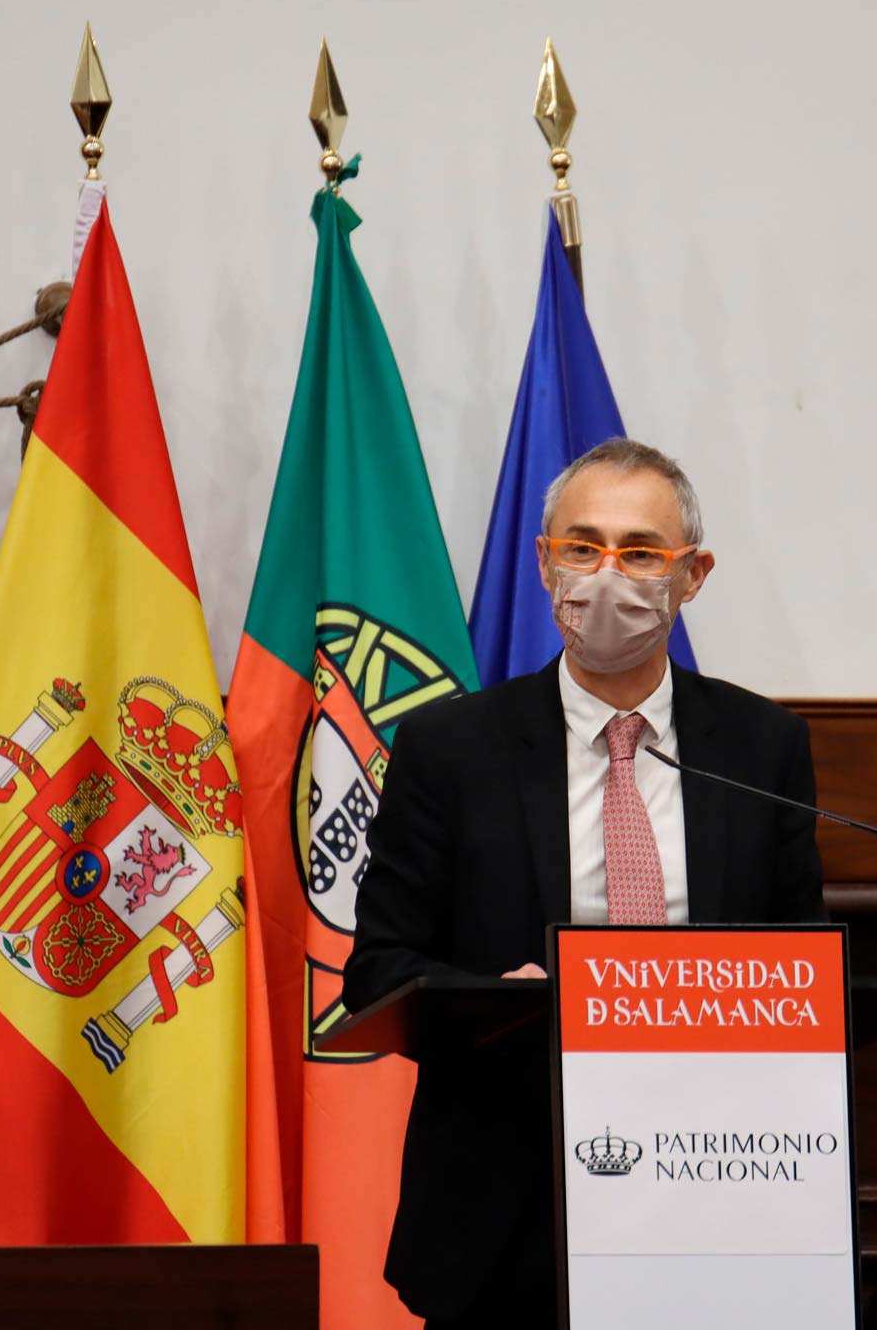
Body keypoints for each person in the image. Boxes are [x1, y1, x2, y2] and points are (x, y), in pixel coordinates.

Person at [343, 436, 827, 1329]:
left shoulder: (762, 749)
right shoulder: (451, 751)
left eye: (641, 552)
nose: (608, 576)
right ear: (543, 562)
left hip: (719, 1190)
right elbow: (379, 971)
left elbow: (803, 974)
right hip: (506, 1199)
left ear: (694, 574)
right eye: (582, 545)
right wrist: (497, 1002)